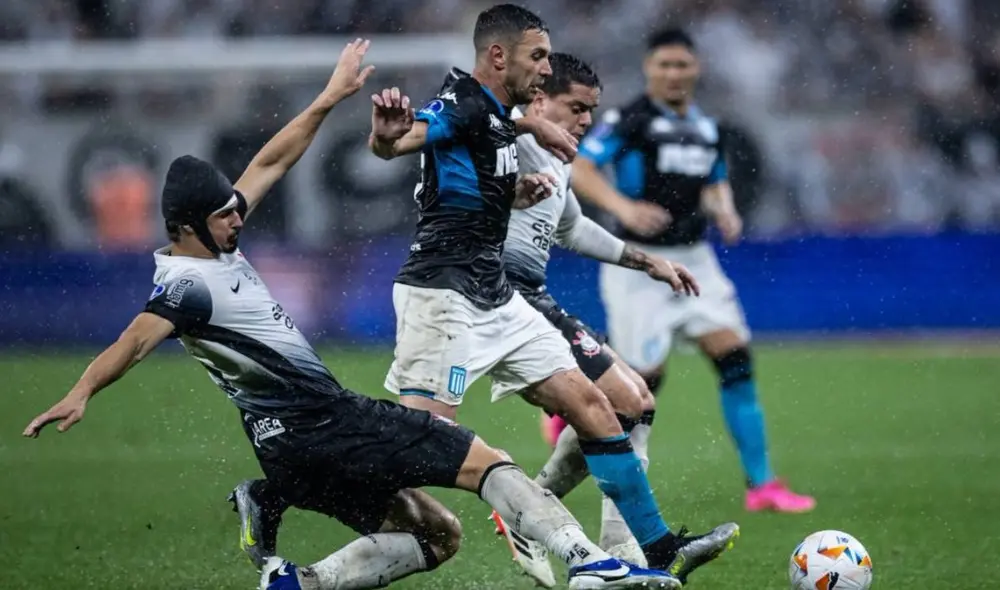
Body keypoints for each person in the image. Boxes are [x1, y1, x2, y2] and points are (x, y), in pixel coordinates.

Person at [21, 40, 680, 590]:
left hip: (284, 447)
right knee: (489, 464)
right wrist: (81, 391)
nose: (237, 219)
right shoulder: (187, 286)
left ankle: (293, 578)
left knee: (435, 536)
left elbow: (272, 160)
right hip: (328, 422)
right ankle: (595, 566)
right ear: (184, 227)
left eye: (232, 207)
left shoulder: (213, 242)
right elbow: (136, 340)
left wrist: (330, 96)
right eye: (224, 215)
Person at [367, 2, 734, 580]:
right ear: (499, 56)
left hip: (498, 294)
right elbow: (413, 135)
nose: (544, 68)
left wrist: (644, 261)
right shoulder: (465, 101)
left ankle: (655, 550)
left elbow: (553, 214)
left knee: (600, 406)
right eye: (537, 57)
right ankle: (297, 480)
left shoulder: (508, 123)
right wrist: (390, 140)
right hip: (442, 294)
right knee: (421, 448)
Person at [483, 52, 738, 587]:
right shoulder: (505, 138)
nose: (585, 121)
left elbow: (573, 227)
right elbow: (464, 129)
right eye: (576, 108)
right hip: (493, 297)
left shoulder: (556, 156)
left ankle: (542, 512)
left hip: (534, 296)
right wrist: (515, 147)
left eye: (590, 111)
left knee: (637, 402)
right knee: (613, 406)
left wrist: (649, 263)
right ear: (538, 100)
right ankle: (642, 548)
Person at [570, 27, 816, 513]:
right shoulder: (629, 118)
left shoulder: (708, 127)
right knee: (641, 387)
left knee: (735, 358)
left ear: (696, 69)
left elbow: (714, 182)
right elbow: (580, 166)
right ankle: (573, 401)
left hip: (696, 259)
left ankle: (762, 484)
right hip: (638, 261)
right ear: (649, 69)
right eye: (664, 65)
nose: (673, 74)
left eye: (681, 65)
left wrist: (725, 210)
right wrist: (623, 205)